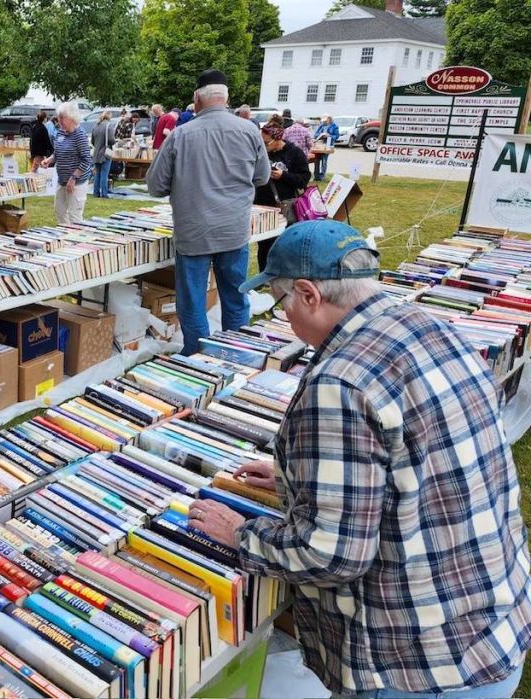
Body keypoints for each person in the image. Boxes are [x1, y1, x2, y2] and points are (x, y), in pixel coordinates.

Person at [189, 219, 531, 698]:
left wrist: (240, 534)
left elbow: (331, 556)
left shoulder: (339, 383)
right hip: (490, 623)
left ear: (309, 294)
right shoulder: (431, 325)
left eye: (281, 301)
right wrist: (298, 479)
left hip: (416, 665)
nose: (283, 315)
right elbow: (421, 456)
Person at [145, 69, 268, 356]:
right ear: (226, 99)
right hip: (234, 230)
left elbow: (155, 185)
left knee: (193, 301)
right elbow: (261, 177)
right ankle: (237, 355)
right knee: (236, 298)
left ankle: (200, 361)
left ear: (196, 100)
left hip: (194, 231)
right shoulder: (249, 130)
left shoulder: (181, 135)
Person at [254, 122, 311, 271]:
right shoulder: (261, 152)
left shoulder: (295, 153)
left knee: (283, 242)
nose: (263, 145)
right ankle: (264, 275)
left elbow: (303, 179)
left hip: (284, 206)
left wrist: (283, 176)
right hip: (262, 205)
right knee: (263, 242)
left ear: (277, 139)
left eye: (266, 142)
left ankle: (283, 274)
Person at [40, 101, 92, 224]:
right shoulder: (60, 132)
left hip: (76, 183)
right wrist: (49, 159)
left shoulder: (80, 135)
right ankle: (64, 238)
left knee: (75, 217)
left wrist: (73, 178)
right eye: (58, 118)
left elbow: (86, 159)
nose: (59, 121)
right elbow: (57, 153)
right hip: (61, 181)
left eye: (62, 118)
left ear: (72, 117)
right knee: (60, 211)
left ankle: (76, 241)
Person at [91, 110, 115, 198]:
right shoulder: (109, 125)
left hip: (96, 152)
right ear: (109, 117)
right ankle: (104, 193)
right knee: (104, 173)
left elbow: (92, 141)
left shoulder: (95, 126)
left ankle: (96, 192)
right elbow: (111, 140)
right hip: (105, 152)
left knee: (97, 173)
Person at [312, 114, 339, 181]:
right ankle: (316, 176)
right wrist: (321, 135)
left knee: (324, 161)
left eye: (325, 120)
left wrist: (329, 136)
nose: (324, 122)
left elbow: (337, 136)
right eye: (323, 121)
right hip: (319, 146)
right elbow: (315, 134)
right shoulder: (321, 125)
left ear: (329, 119)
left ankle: (322, 176)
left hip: (328, 145)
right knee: (317, 160)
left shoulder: (334, 126)